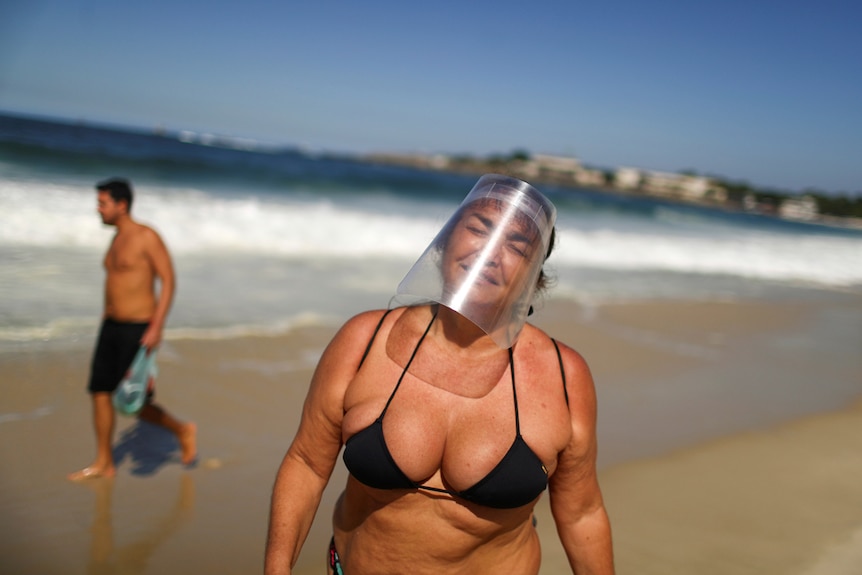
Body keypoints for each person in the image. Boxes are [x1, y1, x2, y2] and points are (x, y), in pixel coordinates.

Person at [265, 174, 614, 574]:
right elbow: (307, 464)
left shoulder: (563, 375)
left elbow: (582, 513)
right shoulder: (364, 340)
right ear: (446, 240)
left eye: (516, 247)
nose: (490, 254)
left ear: (534, 276)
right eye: (478, 230)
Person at [68, 178, 197, 481]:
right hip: (110, 327)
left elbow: (168, 280)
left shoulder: (145, 236)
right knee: (99, 391)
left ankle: (182, 430)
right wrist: (106, 313)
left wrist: (157, 326)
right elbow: (117, 283)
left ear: (121, 205)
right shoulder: (115, 239)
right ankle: (104, 462)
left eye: (102, 203)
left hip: (138, 329)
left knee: (133, 403)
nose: (97, 209)